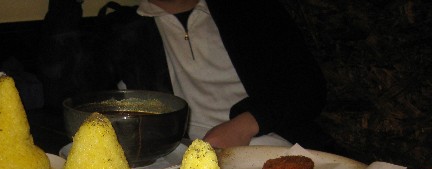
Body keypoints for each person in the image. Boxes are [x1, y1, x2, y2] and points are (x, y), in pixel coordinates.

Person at [38, 0, 339, 152]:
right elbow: (66, 96)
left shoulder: (252, 11)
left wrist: (245, 124)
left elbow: (308, 86)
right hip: (181, 161)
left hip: (280, 146)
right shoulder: (120, 28)